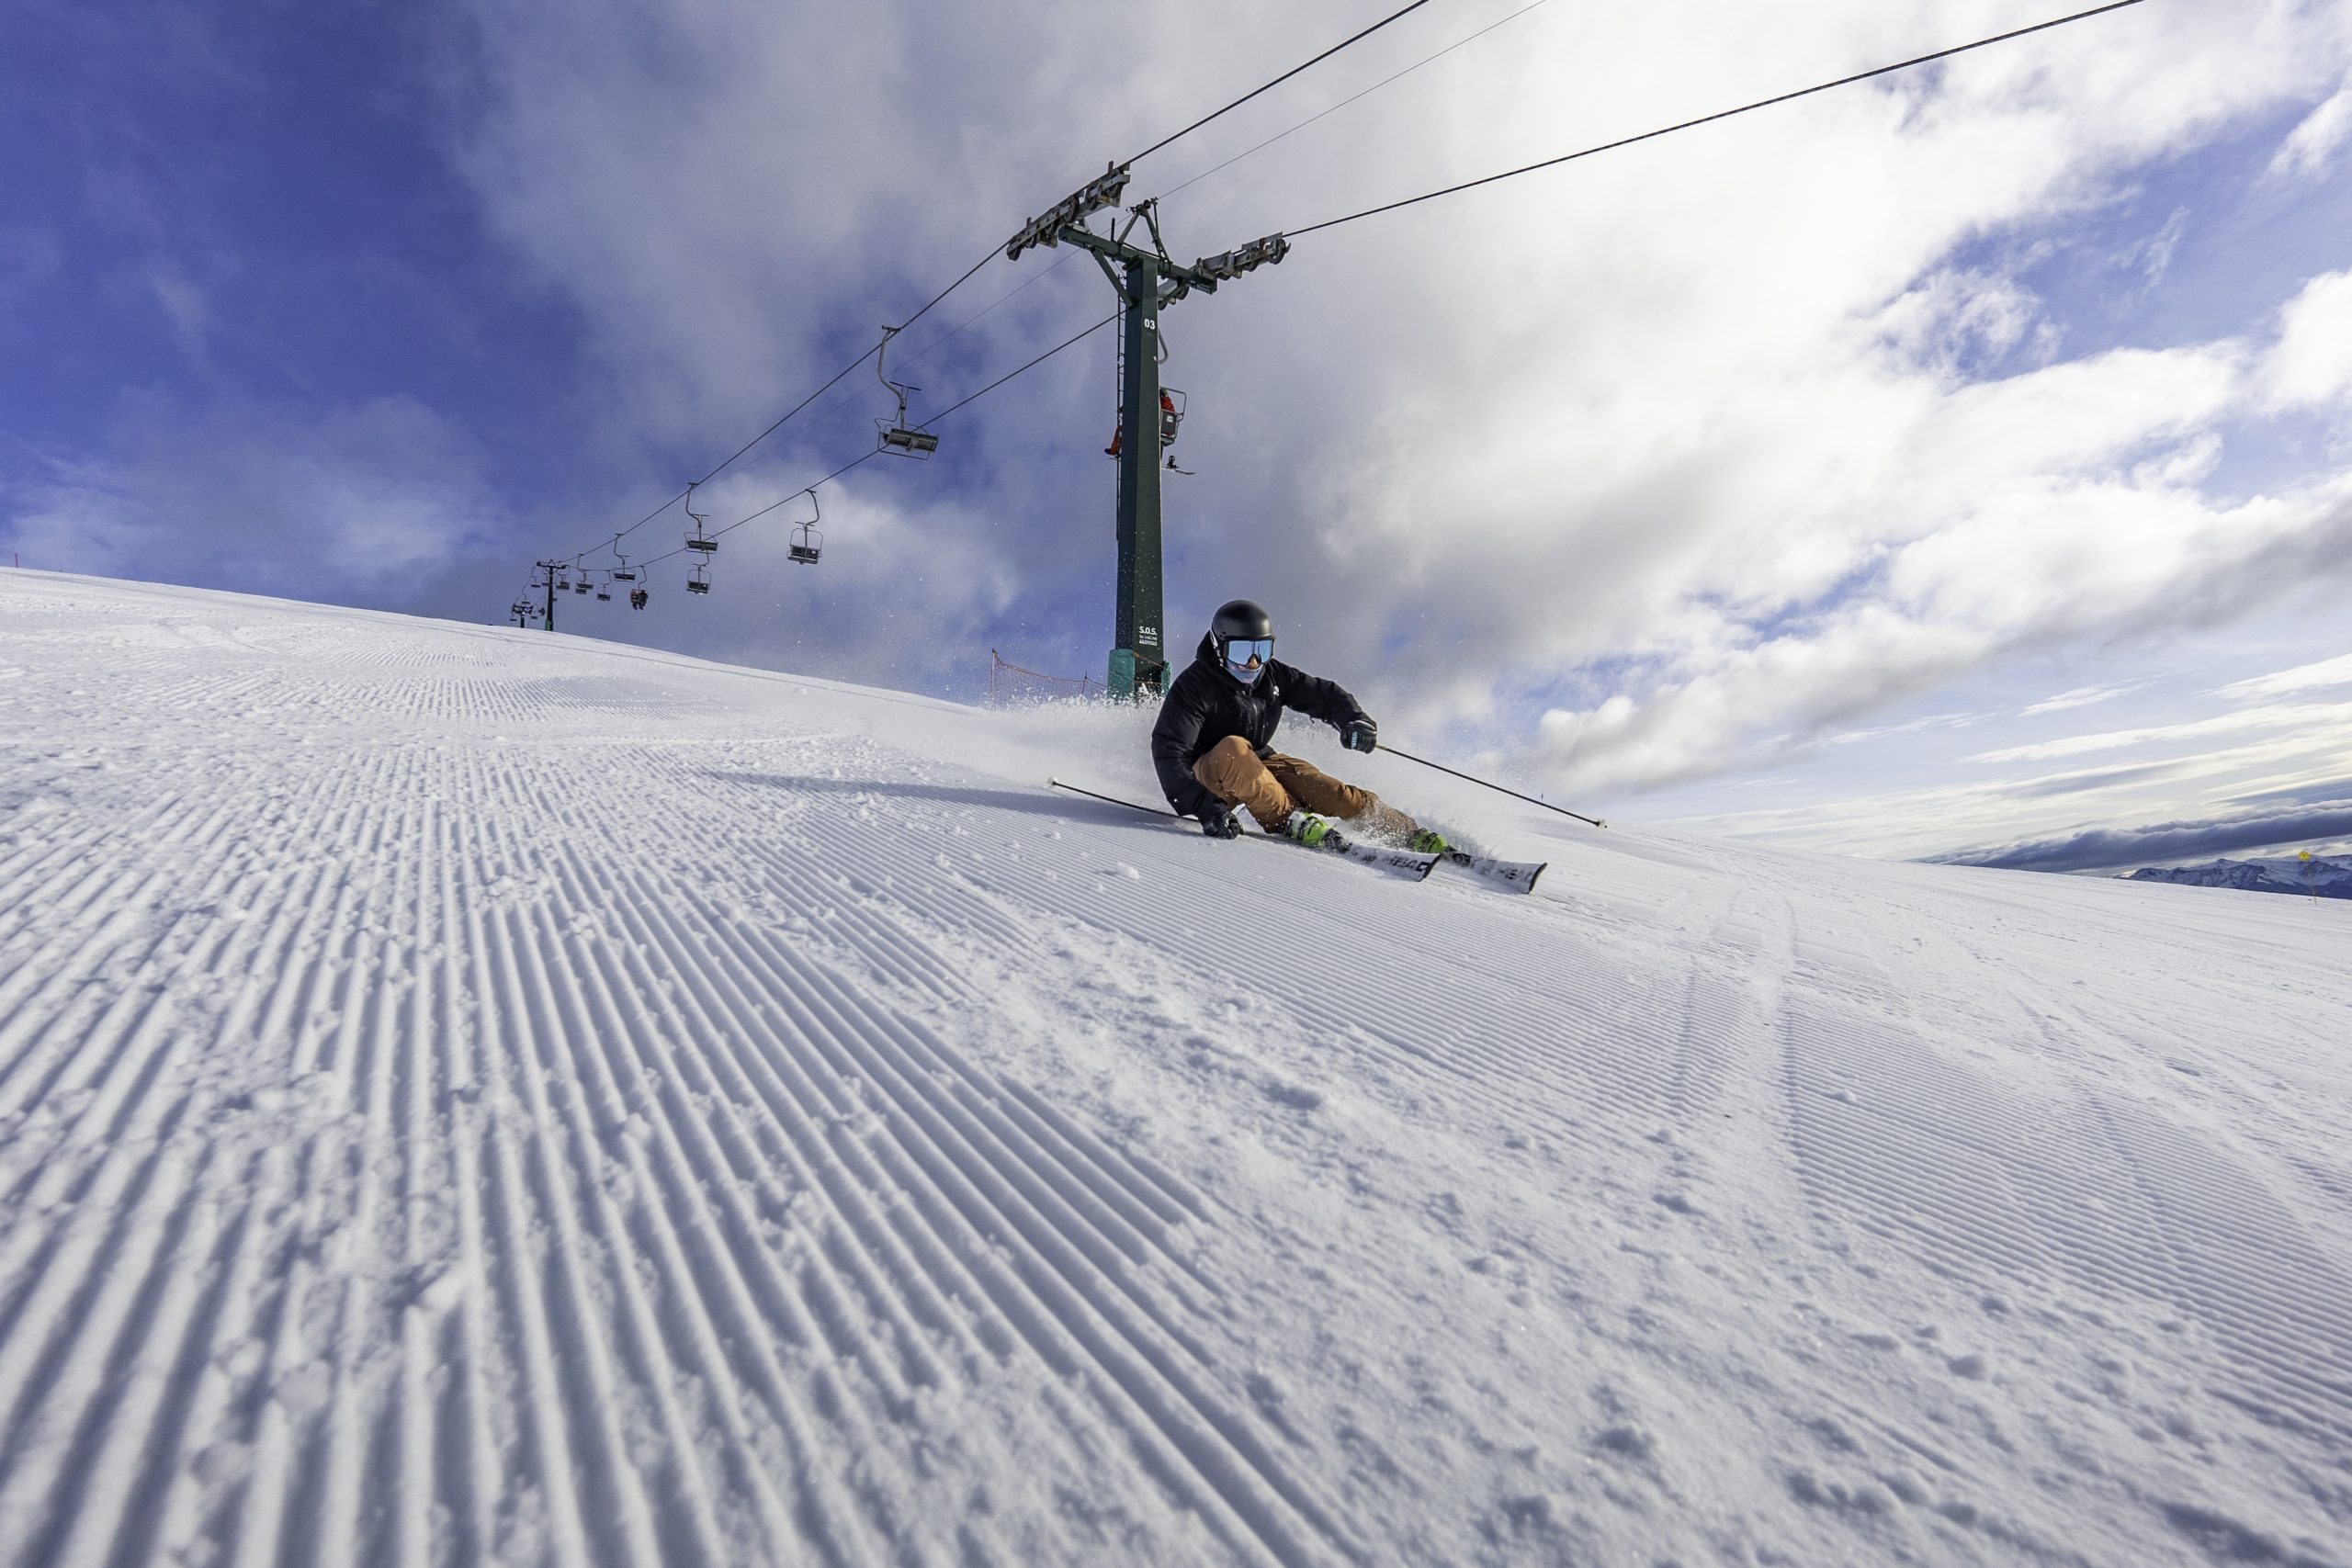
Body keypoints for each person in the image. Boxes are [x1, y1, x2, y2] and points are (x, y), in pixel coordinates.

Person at [1150, 599, 1449, 853]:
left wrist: (1354, 720)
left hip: (1258, 761)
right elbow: (1168, 748)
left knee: (1332, 792)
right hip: (1210, 776)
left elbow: (1325, 695)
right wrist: (1203, 806)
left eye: (1262, 651)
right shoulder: (1195, 686)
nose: (1253, 663)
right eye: (1242, 652)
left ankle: (1405, 833)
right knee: (1233, 747)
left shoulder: (1273, 676)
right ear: (1220, 647)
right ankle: (1292, 820)